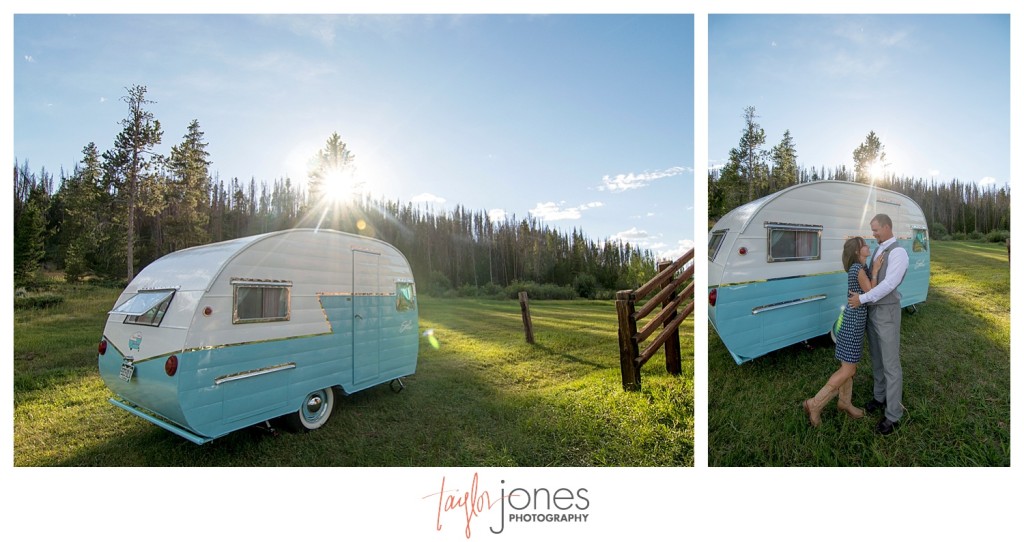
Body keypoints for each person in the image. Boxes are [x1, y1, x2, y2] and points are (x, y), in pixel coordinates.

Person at [803, 236, 879, 427]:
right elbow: (872, 294)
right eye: (864, 245)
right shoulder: (858, 269)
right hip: (852, 325)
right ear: (856, 251)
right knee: (848, 369)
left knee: (849, 368)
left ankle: (844, 403)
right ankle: (814, 404)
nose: (868, 246)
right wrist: (876, 271)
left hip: (852, 322)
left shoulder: (859, 267)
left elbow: (864, 294)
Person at [848, 213, 909, 436]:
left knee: (891, 363)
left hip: (887, 312)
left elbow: (890, 283)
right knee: (876, 358)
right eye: (872, 230)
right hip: (873, 312)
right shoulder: (878, 249)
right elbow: (873, 279)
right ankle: (879, 396)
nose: (873, 234)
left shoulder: (899, 252)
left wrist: (862, 299)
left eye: (875, 229)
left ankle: (893, 414)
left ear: (886, 227)